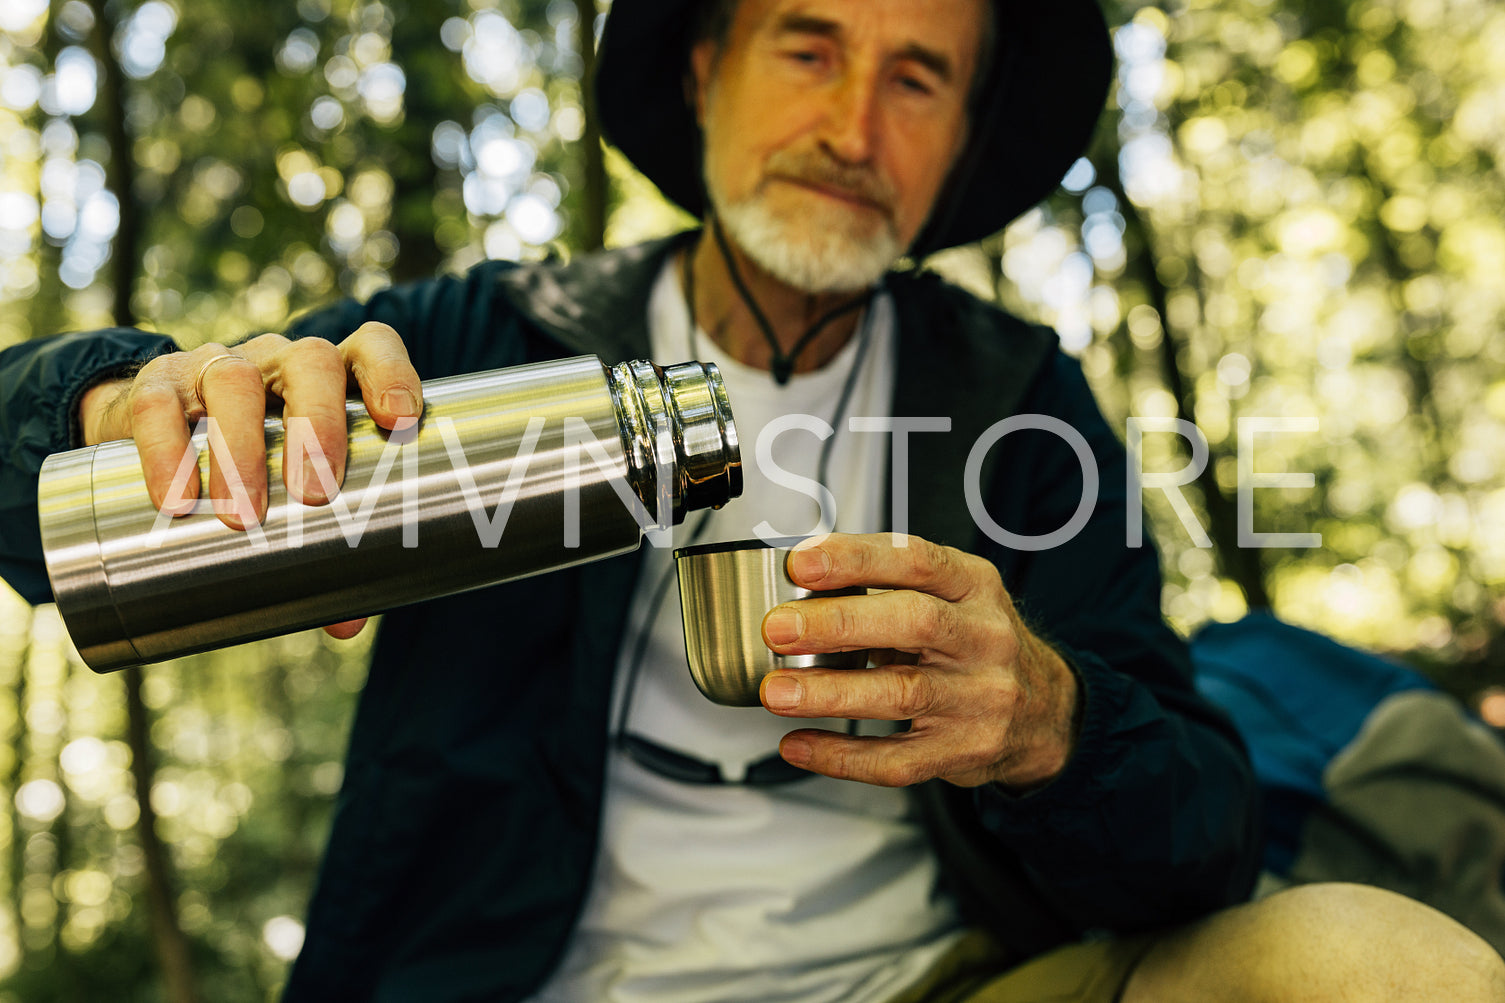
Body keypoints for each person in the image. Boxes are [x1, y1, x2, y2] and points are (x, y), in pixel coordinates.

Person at [1, 0, 1501, 999]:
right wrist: (125, 394)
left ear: (961, 143)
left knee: (1364, 959)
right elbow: (30, 500)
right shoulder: (484, 342)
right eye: (806, 43)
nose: (853, 122)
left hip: (935, 981)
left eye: (917, 77)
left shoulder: (1017, 401)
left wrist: (1052, 718)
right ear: (702, 66)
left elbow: (1206, 833)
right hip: (509, 982)